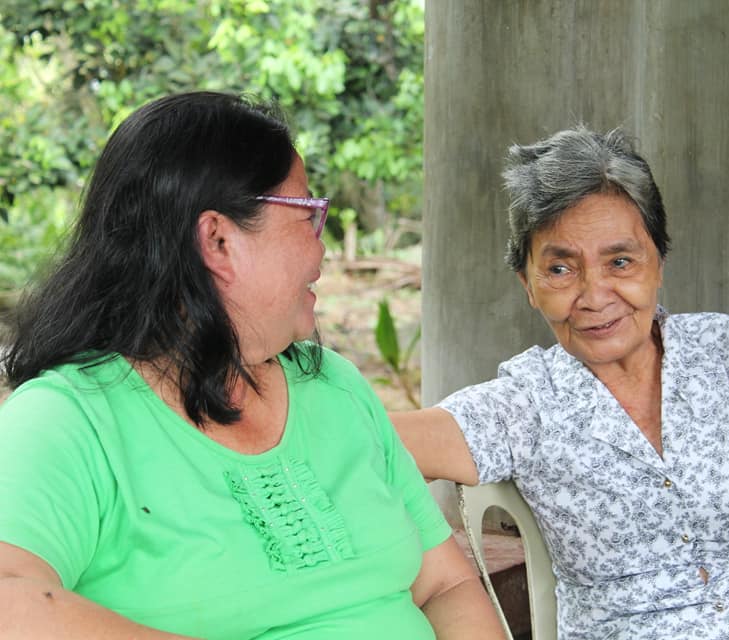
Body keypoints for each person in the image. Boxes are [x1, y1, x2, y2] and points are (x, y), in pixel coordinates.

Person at [0, 92, 504, 640]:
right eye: (307, 215)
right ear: (217, 239)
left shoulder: (334, 386)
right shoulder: (69, 421)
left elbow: (444, 586)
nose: (321, 251)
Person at [391, 126, 729, 639]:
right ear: (528, 284)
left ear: (658, 260)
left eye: (620, 261)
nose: (595, 296)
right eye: (560, 269)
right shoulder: (529, 401)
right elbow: (369, 439)